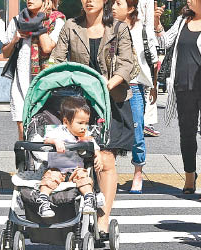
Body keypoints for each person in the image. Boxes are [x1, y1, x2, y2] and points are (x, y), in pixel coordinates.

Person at [51, 0, 135, 239]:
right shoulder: (70, 26)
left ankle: (103, 220)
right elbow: (57, 59)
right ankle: (71, 209)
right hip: (79, 104)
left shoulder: (118, 28)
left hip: (112, 101)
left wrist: (107, 84)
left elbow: (127, 62)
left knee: (106, 160)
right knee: (74, 157)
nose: (89, 1)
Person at [154, 0, 201, 202]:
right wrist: (157, 23)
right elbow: (164, 44)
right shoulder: (182, 20)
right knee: (186, 134)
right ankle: (189, 176)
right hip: (183, 86)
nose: (188, 1)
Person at [112, 0, 159, 193]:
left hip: (135, 84)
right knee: (110, 129)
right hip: (113, 85)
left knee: (137, 130)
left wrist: (154, 86)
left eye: (118, 3)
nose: (113, 7)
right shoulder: (108, 27)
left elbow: (153, 59)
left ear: (130, 8)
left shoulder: (141, 29)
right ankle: (109, 171)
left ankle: (138, 173)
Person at [2, 0, 66, 141]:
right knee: (23, 130)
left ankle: (41, 162)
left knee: (46, 131)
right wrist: (14, 40)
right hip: (20, 83)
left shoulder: (57, 20)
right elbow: (5, 53)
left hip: (46, 85)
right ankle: (25, 162)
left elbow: (48, 47)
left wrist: (40, 21)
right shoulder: (18, 20)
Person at [38, 96, 103, 218]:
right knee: (50, 178)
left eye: (86, 123)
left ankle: (88, 199)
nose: (84, 127)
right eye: (80, 123)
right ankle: (43, 201)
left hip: (75, 169)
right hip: (57, 168)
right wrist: (56, 142)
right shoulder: (58, 131)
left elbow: (94, 145)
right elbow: (46, 140)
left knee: (84, 177)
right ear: (66, 122)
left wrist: (97, 155)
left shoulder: (85, 134)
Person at [142, 0, 161, 138]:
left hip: (143, 43)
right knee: (150, 84)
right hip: (145, 45)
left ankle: (144, 122)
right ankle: (147, 122)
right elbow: (148, 27)